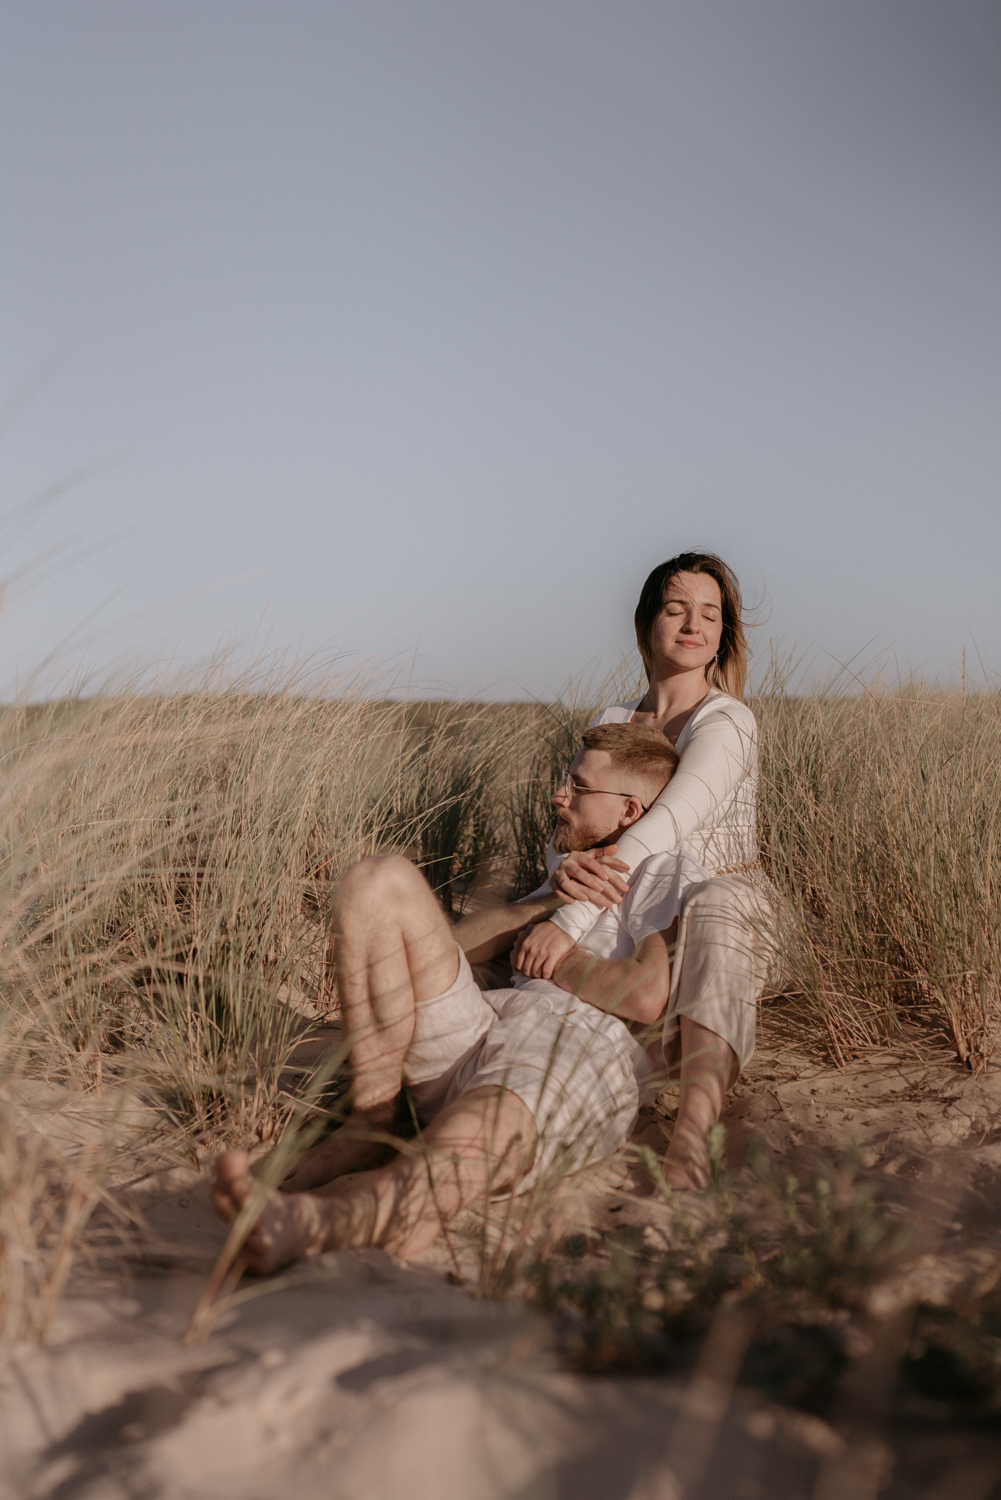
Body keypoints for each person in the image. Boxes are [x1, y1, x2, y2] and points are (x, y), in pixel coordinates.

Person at [213, 724, 738, 1272]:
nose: (560, 796)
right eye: (565, 779)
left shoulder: (663, 869)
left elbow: (648, 996)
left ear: (630, 811)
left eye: (579, 787)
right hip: (488, 1022)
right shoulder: (572, 866)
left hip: (577, 1051)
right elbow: (454, 947)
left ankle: (309, 1226)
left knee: (476, 1128)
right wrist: (544, 905)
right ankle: (371, 1120)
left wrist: (560, 958)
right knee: (377, 879)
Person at [513, 551, 775, 1137]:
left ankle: (693, 1127)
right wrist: (566, 865)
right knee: (512, 922)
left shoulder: (727, 722)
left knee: (716, 906)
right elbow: (574, 811)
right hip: (628, 893)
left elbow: (667, 825)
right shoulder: (615, 715)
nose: (693, 626)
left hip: (716, 896)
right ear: (647, 623)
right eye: (677, 610)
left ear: (722, 635)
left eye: (710, 615)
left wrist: (573, 913)